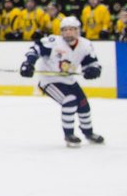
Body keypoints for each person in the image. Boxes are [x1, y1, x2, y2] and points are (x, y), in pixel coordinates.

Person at [20, 14, 104, 147]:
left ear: (78, 30)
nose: (68, 32)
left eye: (71, 29)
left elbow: (92, 63)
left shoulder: (85, 45)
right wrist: (28, 63)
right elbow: (35, 49)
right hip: (49, 80)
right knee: (69, 101)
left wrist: (93, 70)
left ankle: (88, 133)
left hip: (68, 79)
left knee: (83, 105)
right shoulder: (54, 42)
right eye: (65, 29)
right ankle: (69, 134)